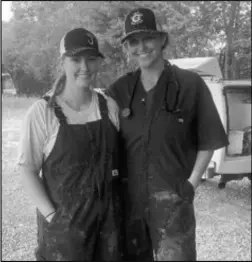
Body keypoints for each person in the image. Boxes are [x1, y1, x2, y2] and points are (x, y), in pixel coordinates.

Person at [106, 8, 229, 261]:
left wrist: (191, 184)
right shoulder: (119, 90)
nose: (141, 47)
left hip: (174, 202)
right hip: (130, 205)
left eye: (148, 38)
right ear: (128, 47)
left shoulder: (190, 85)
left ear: (162, 39)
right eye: (133, 41)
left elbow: (208, 140)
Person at [17, 28, 122, 261]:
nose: (85, 67)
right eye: (76, 59)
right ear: (62, 62)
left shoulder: (109, 106)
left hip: (109, 231)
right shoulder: (43, 113)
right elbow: (27, 169)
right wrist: (52, 216)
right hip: (64, 236)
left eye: (91, 59)